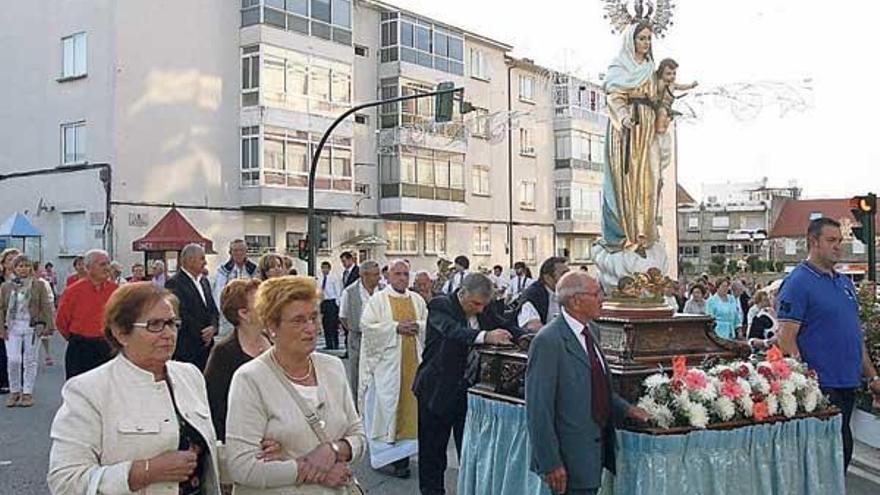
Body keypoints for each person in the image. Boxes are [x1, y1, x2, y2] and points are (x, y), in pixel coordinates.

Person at [47, 282, 223, 495]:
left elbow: (207, 454)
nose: (168, 334)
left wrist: (259, 453)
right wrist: (144, 472)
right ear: (121, 333)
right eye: (155, 325)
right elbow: (65, 481)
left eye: (172, 323)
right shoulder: (87, 390)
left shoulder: (189, 376)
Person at [225, 276, 365, 494]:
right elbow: (241, 467)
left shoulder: (333, 368)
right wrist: (310, 469)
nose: (310, 328)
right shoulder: (250, 379)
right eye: (298, 320)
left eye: (313, 317)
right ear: (272, 325)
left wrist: (335, 450)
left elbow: (358, 435)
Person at [526, 271, 649, 495]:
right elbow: (538, 409)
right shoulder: (548, 341)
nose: (602, 298)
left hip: (593, 453)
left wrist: (628, 409)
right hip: (568, 459)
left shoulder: (591, 331)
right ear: (575, 301)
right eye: (596, 293)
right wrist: (551, 462)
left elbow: (596, 386)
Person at [777, 217, 880, 470]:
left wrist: (873, 377)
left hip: (847, 382)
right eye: (831, 240)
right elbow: (786, 339)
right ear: (813, 242)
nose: (838, 246)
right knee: (826, 461)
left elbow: (854, 335)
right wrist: (804, 384)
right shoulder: (798, 282)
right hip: (821, 388)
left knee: (842, 454)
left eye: (840, 241)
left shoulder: (845, 283)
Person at [413, 273, 518, 495]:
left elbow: (504, 325)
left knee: (471, 452)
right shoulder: (441, 305)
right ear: (462, 293)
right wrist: (485, 336)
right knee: (433, 454)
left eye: (484, 305)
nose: (480, 310)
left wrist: (527, 336)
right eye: (476, 304)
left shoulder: (485, 308)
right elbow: (453, 331)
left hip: (469, 391)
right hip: (436, 389)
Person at [359, 259, 427, 478]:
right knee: (388, 409)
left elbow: (428, 324)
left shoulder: (417, 300)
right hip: (387, 367)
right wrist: (395, 328)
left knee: (412, 410)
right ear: (388, 276)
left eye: (406, 274)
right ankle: (393, 459)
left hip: (413, 365)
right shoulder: (378, 300)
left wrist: (419, 327)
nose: (402, 278)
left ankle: (406, 457)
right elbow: (368, 328)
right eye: (398, 274)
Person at [601, 21, 660, 253]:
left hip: (647, 131)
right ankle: (627, 234)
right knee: (627, 181)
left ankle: (644, 233)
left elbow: (658, 94)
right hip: (626, 131)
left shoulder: (649, 66)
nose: (645, 43)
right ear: (631, 40)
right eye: (642, 38)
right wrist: (624, 117)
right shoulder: (619, 66)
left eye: (648, 39)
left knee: (648, 179)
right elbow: (614, 96)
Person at [204, 279, 271, 442]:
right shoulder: (224, 353)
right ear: (244, 313)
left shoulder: (276, 343)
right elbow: (216, 407)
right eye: (262, 301)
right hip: (243, 441)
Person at [55, 249, 118, 379]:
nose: (107, 268)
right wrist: (75, 339)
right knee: (77, 388)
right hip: (80, 346)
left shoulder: (116, 291)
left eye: (108, 264)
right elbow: (61, 321)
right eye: (102, 264)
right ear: (88, 267)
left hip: (107, 345)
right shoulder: (73, 291)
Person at [1, 254, 54, 407]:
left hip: (32, 326)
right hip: (12, 326)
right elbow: (2, 308)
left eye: (26, 266)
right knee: (13, 359)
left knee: (30, 360)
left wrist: (48, 325)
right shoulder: (6, 286)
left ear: (30, 268)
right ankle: (14, 390)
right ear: (14, 268)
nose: (23, 269)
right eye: (19, 266)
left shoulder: (38, 285)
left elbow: (45, 305)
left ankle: (27, 392)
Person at [165, 244, 219, 371]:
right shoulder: (175, 283)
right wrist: (202, 333)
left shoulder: (204, 281)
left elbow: (212, 308)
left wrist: (213, 327)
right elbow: (181, 313)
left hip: (207, 347)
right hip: (188, 348)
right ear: (190, 260)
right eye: (202, 258)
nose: (205, 262)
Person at [339, 260, 381, 403]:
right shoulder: (349, 292)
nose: (378, 278)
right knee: (357, 375)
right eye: (374, 275)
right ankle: (358, 408)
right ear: (363, 275)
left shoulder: (382, 290)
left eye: (378, 274)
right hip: (357, 338)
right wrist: (354, 328)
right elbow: (343, 316)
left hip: (379, 338)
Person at [515, 257, 569, 332]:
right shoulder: (533, 295)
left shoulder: (567, 293)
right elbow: (533, 326)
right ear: (547, 278)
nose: (568, 278)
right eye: (563, 275)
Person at [0, 248, 20, 394]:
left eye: (16, 260)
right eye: (9, 260)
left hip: (18, 321)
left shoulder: (22, 280)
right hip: (2, 317)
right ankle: (4, 381)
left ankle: (15, 382)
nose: (12, 263)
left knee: (16, 354)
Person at [317, 261, 343, 350]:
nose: (324, 270)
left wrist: (338, 304)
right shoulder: (320, 279)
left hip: (332, 302)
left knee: (333, 324)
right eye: (322, 268)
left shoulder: (333, 278)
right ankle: (329, 343)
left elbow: (338, 291)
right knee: (326, 324)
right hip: (324, 302)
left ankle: (335, 343)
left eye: (326, 268)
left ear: (329, 268)